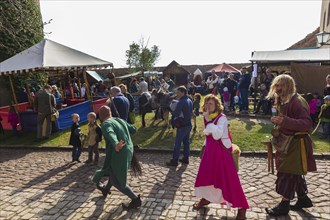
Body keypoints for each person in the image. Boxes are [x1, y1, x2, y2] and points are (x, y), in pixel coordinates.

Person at [265, 74, 317, 217]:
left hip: (296, 144)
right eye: (276, 85)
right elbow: (283, 120)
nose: (277, 88)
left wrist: (285, 121)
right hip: (286, 142)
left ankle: (284, 204)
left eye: (280, 85)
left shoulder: (297, 102)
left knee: (287, 172)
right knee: (294, 172)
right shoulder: (282, 100)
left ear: (288, 85)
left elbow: (307, 124)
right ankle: (303, 199)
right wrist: (278, 121)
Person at [193, 94, 248, 219]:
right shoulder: (207, 117)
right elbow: (208, 136)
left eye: (210, 103)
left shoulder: (222, 118)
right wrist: (203, 149)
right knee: (208, 177)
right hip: (210, 153)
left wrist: (208, 122)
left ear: (216, 105)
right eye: (206, 103)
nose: (208, 106)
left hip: (222, 153)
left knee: (229, 180)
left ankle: (242, 207)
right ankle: (206, 199)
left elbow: (217, 135)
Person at [93, 105, 142, 210]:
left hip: (119, 153)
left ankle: (135, 199)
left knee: (117, 180)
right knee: (112, 171)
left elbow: (111, 133)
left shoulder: (106, 124)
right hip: (128, 150)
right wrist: (126, 123)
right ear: (110, 113)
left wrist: (116, 144)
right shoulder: (119, 120)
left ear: (100, 116)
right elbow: (134, 129)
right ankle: (106, 189)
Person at [166, 86, 193, 166]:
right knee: (186, 142)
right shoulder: (189, 100)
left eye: (178, 92)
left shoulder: (181, 102)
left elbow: (176, 113)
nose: (177, 94)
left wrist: (171, 112)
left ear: (183, 92)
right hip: (188, 124)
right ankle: (186, 158)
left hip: (182, 125)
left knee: (177, 143)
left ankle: (174, 161)